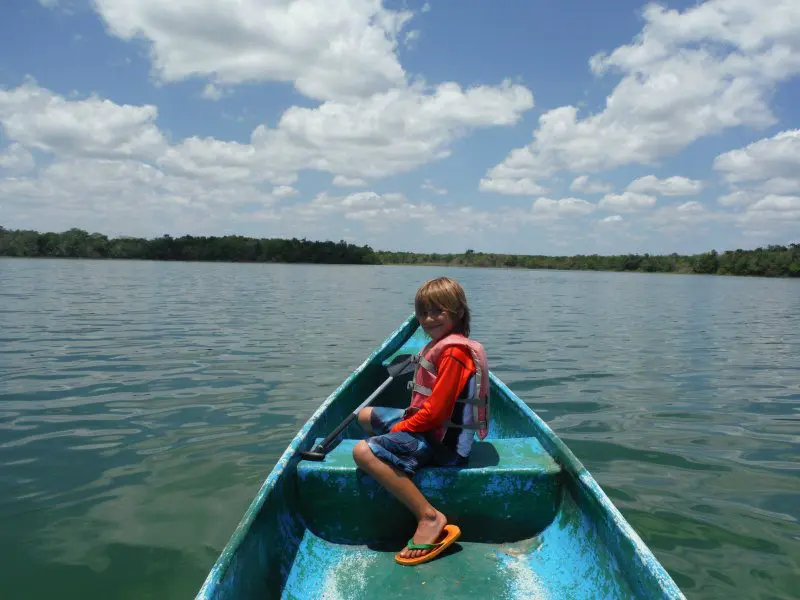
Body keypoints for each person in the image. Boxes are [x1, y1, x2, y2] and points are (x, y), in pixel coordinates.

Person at [351, 276, 490, 566]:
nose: (429, 319)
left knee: (362, 451)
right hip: (427, 427)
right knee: (364, 415)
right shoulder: (441, 345)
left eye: (438, 311)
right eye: (423, 312)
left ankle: (428, 515)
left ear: (458, 311)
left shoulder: (454, 352)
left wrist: (401, 427)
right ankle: (396, 464)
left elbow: (437, 414)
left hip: (443, 445)